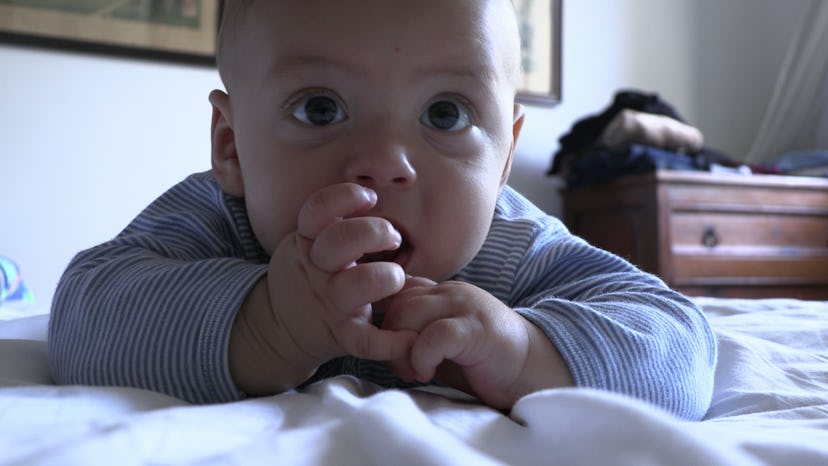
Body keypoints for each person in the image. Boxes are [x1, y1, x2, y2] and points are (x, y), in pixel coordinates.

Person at [48, 0, 717, 420]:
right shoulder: (218, 218)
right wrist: (266, 324)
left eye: (445, 114)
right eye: (320, 108)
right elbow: (83, 315)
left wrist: (524, 352)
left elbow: (680, 350)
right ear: (231, 146)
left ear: (505, 158)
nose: (384, 161)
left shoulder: (514, 244)